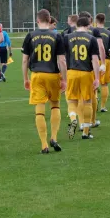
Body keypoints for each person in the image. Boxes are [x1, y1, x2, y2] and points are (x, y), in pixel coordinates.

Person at [22, 9, 67, 154]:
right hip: (53, 75)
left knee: (39, 109)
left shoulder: (30, 35)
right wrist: (64, 79)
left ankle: (44, 145)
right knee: (55, 105)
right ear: (49, 20)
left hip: (37, 75)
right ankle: (54, 137)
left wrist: (25, 78)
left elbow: (24, 60)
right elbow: (62, 60)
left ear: (37, 20)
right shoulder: (57, 36)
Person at [63, 16, 100, 140]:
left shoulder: (67, 37)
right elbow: (94, 59)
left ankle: (73, 119)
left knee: (72, 101)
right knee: (87, 101)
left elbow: (62, 58)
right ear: (88, 25)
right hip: (86, 73)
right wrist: (97, 77)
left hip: (71, 72)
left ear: (76, 25)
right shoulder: (92, 38)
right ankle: (86, 132)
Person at [77, 11, 107, 128]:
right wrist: (103, 63)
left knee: (79, 96)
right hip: (90, 65)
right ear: (88, 20)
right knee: (91, 94)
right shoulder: (94, 31)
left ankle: (80, 122)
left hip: (75, 66)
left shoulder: (71, 31)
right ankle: (92, 121)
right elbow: (101, 47)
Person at [94, 13, 110, 113]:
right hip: (106, 60)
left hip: (95, 60)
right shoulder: (109, 33)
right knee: (104, 84)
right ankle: (103, 106)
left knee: (95, 83)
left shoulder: (91, 31)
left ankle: (95, 101)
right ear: (104, 20)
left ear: (96, 21)